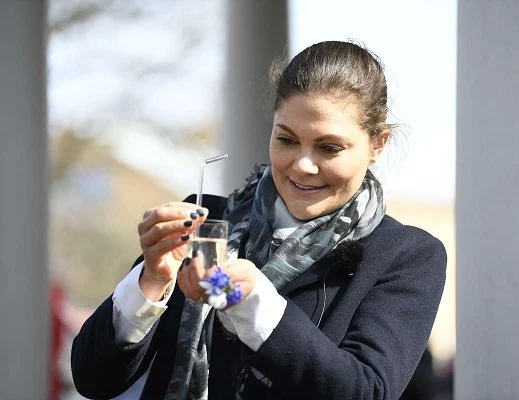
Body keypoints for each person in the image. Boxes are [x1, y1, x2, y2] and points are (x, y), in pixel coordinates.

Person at [71, 40, 446, 399]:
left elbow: (365, 389)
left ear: (377, 144)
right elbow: (92, 378)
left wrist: (249, 302)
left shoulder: (406, 256)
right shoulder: (204, 223)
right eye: (286, 139)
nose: (302, 164)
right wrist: (151, 281)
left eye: (329, 147)